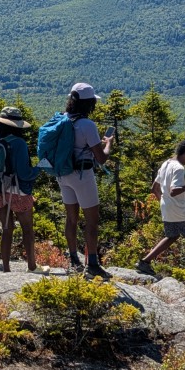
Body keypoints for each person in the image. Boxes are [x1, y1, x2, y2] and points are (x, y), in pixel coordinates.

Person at [57, 82, 115, 278]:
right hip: (83, 175)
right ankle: (92, 264)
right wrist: (108, 145)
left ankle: (74, 259)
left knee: (71, 218)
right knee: (92, 221)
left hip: (63, 174)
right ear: (89, 103)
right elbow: (101, 158)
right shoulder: (87, 125)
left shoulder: (62, 120)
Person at [135, 140, 185, 276]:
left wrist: (164, 202)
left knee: (172, 236)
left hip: (166, 206)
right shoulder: (179, 168)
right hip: (178, 208)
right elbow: (174, 191)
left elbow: (154, 188)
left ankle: (144, 262)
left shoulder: (165, 164)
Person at [0, 107, 41, 272]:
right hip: (17, 192)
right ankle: (32, 266)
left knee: (7, 228)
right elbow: (25, 173)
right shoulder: (19, 143)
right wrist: (39, 168)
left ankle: (6, 269)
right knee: (27, 229)